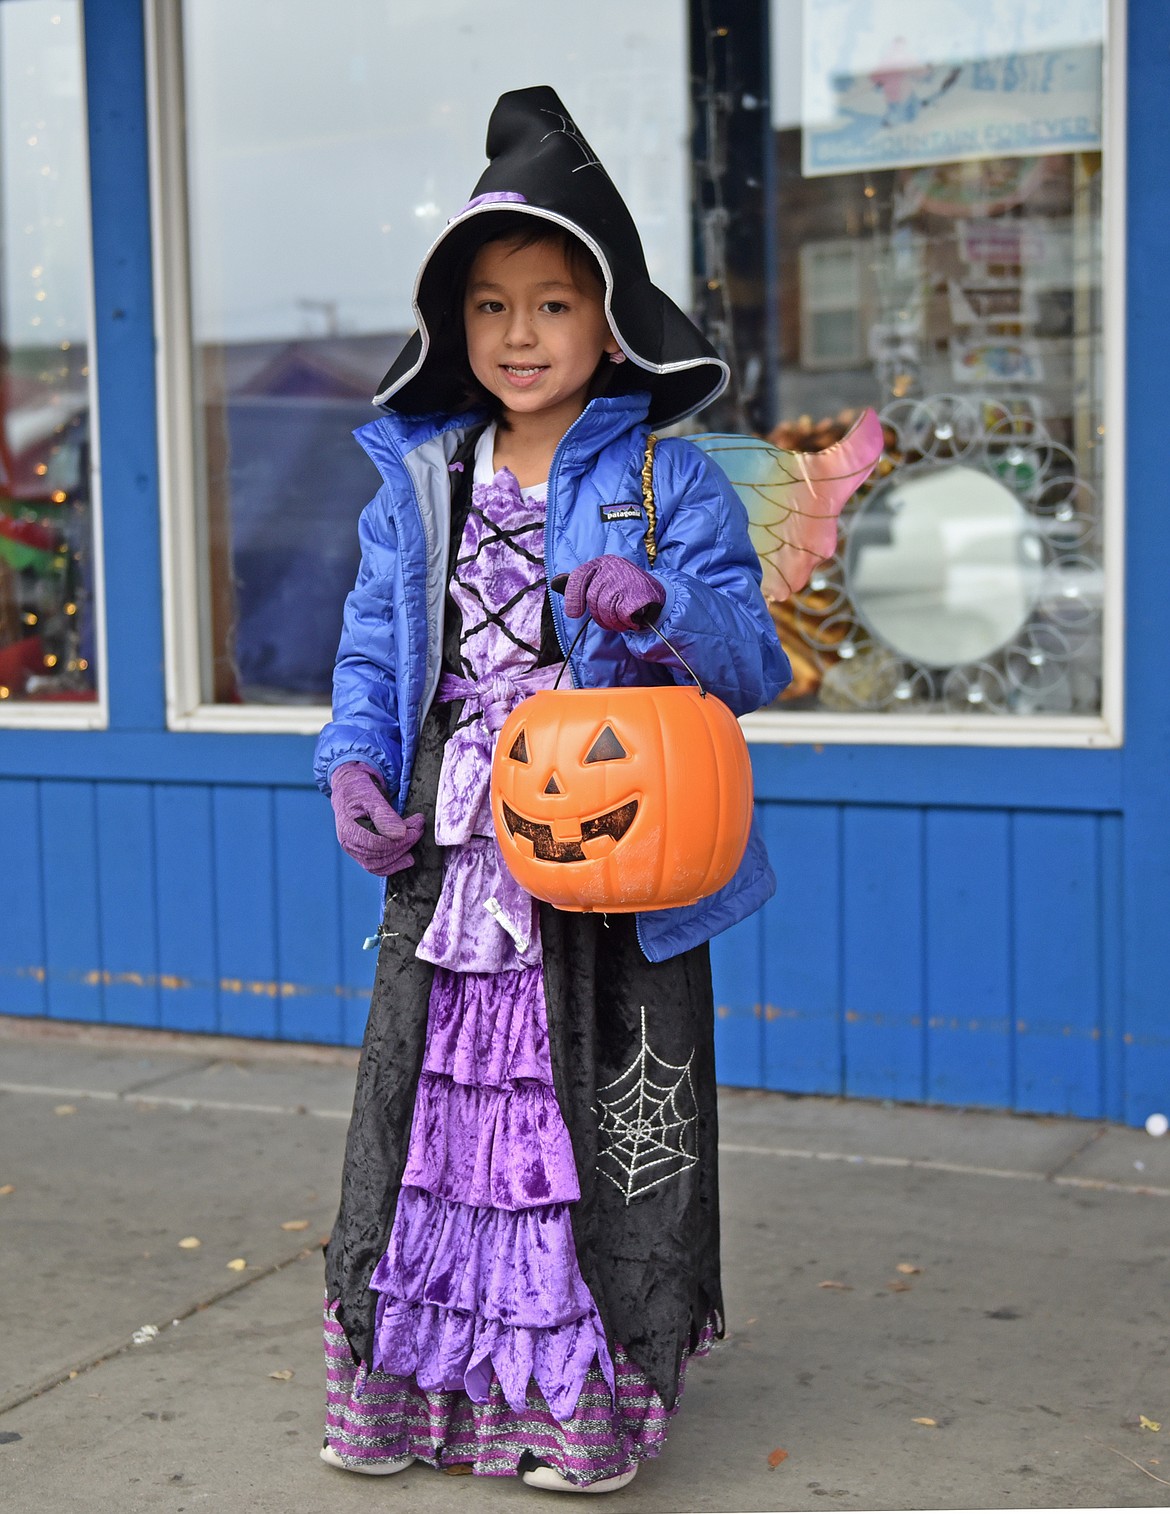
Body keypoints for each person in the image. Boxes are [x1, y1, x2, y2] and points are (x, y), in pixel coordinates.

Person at [313, 85, 790, 1494]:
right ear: (454, 327)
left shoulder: (665, 477)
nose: (518, 336)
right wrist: (347, 759)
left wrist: (664, 616)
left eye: (551, 303)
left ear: (610, 319)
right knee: (438, 1129)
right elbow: (373, 644)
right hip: (456, 851)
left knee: (597, 1128)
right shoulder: (420, 476)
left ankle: (579, 1405)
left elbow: (750, 656)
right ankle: (432, 1396)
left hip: (611, 857)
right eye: (487, 307)